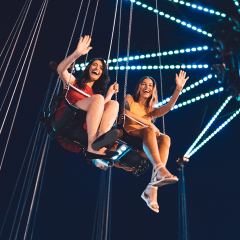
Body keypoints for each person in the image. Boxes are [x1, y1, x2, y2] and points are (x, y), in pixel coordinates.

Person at [118, 71, 189, 213]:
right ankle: (159, 170)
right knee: (150, 130)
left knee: (165, 138)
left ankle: (152, 189)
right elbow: (126, 113)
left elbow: (168, 107)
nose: (147, 87)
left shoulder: (150, 110)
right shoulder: (130, 99)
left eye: (150, 85)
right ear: (139, 87)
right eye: (143, 84)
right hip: (126, 135)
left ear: (153, 90)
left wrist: (178, 89)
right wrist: (150, 125)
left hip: (141, 141)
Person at [56, 35, 119, 159]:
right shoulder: (74, 82)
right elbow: (60, 69)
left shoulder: (94, 96)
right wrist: (77, 53)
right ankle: (92, 146)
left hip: (83, 122)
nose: (97, 68)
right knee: (98, 98)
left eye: (101, 68)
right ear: (88, 68)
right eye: (94, 65)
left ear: (102, 74)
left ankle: (100, 142)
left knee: (114, 104)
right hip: (67, 117)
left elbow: (99, 110)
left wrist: (110, 94)